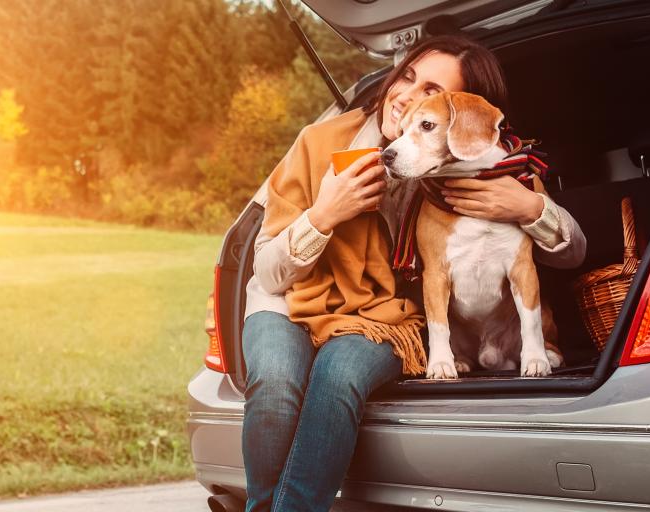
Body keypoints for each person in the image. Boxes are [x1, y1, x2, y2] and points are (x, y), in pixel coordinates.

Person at [241, 35, 586, 512]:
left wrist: (530, 207)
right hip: (288, 299)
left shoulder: (480, 173)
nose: (405, 94)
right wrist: (323, 214)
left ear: (458, 117)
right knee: (278, 383)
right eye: (405, 76)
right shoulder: (318, 142)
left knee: (339, 374)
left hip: (383, 316)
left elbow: (571, 255)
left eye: (429, 90)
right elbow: (266, 270)